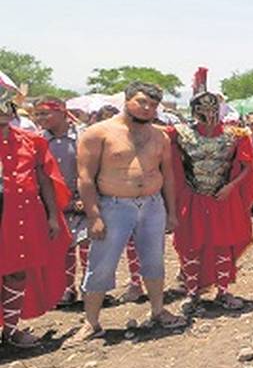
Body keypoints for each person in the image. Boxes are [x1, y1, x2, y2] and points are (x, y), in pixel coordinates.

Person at [75, 81, 185, 339]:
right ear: (126, 100)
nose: (147, 109)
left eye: (153, 105)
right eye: (142, 102)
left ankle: (158, 311)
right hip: (114, 205)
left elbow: (167, 176)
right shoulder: (98, 133)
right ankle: (91, 322)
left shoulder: (160, 136)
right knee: (102, 263)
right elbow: (85, 178)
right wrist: (94, 216)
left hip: (152, 205)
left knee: (154, 260)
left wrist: (171, 212)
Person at [169, 68, 253, 313]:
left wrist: (231, 187)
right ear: (194, 111)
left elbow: (247, 166)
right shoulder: (179, 135)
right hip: (193, 198)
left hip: (222, 199)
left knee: (222, 245)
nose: (208, 114)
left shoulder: (235, 136)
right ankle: (192, 291)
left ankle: (224, 291)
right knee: (191, 245)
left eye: (212, 109)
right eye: (203, 110)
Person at [0, 72, 70, 347]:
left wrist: (53, 216)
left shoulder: (32, 141)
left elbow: (45, 180)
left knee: (17, 271)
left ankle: (11, 331)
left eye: (7, 108)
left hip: (24, 216)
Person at [33, 96, 87, 306]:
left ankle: (89, 287)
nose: (40, 118)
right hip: (53, 205)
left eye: (45, 113)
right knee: (62, 248)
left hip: (83, 201)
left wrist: (84, 197)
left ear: (62, 111)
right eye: (37, 114)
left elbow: (89, 170)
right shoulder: (37, 141)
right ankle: (66, 289)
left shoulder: (83, 136)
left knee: (87, 245)